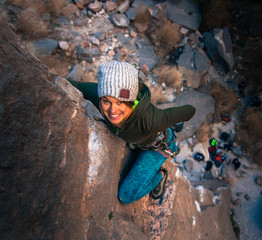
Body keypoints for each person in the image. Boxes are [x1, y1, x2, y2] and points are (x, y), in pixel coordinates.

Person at [68, 61, 196, 204]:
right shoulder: (100, 96)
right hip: (136, 141)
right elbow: (74, 85)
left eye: (120, 102)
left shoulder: (150, 120)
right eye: (106, 101)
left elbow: (190, 110)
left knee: (125, 196)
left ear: (131, 100)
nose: (112, 110)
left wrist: (168, 118)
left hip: (155, 146)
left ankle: (159, 176)